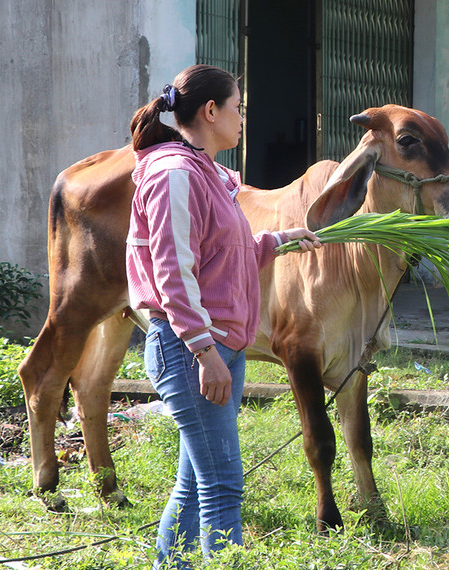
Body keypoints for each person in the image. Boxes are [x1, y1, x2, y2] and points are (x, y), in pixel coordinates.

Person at [126, 65, 321, 567]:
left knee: (195, 484)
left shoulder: (206, 173)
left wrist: (278, 240)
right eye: (239, 108)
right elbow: (173, 270)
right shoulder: (174, 174)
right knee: (223, 484)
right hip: (193, 348)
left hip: (220, 346)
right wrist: (204, 352)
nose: (242, 119)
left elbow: (221, 250)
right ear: (210, 111)